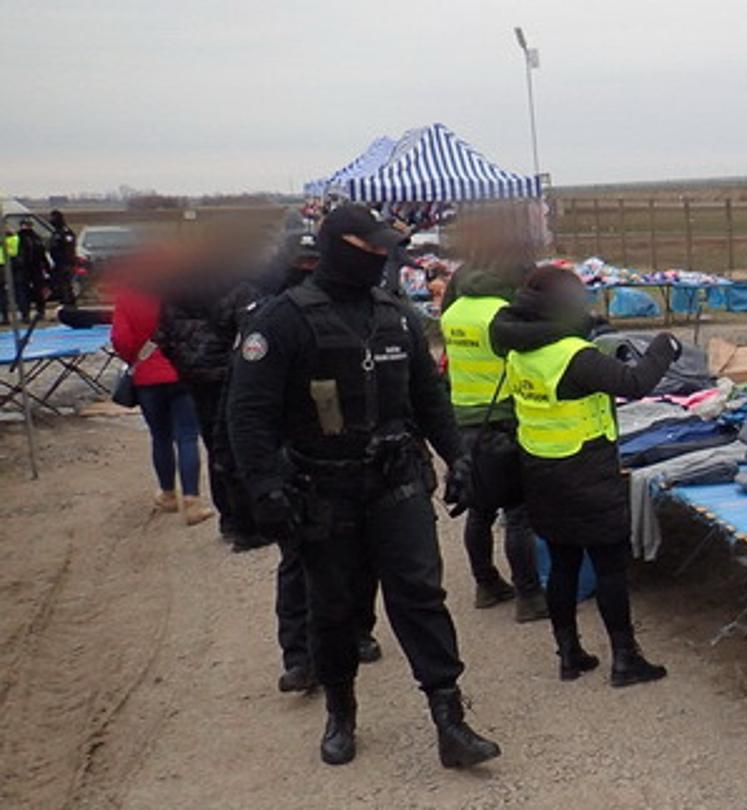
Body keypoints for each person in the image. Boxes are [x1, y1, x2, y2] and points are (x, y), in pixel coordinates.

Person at [227, 204, 498, 768]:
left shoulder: (394, 313)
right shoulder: (283, 321)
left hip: (397, 483)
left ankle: (451, 721)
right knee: (334, 610)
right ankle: (341, 712)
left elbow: (428, 396)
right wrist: (265, 488)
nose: (380, 257)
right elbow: (247, 414)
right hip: (324, 491)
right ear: (336, 246)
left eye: (384, 249)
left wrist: (458, 458)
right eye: (369, 248)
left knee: (421, 598)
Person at [492, 266, 678, 687]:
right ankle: (625, 659)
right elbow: (637, 382)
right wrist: (665, 346)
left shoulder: (520, 348)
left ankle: (569, 654)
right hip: (587, 473)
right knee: (611, 567)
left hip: (541, 469)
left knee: (562, 563)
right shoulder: (571, 356)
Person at [248, 232, 384, 695]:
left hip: (353, 457)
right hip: (299, 462)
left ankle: (359, 629)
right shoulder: (273, 319)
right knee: (297, 563)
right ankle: (300, 656)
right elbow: (246, 410)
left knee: (363, 557)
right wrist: (260, 483)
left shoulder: (362, 308)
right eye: (300, 264)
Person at [438, 253, 550, 622]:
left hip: (463, 418)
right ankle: (529, 596)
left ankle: (486, 584)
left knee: (480, 508)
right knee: (518, 513)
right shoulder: (503, 315)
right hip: (503, 418)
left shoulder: (453, 312)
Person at [156, 243, 267, 548]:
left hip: (196, 378)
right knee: (243, 445)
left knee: (215, 447)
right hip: (233, 377)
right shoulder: (238, 288)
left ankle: (229, 518)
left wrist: (183, 364)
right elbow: (254, 333)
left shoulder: (173, 292)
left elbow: (161, 336)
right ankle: (249, 522)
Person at [112, 278, 215, 525]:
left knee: (160, 437)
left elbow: (121, 339)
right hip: (181, 370)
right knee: (188, 436)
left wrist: (135, 359)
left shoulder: (127, 294)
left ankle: (167, 494)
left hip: (147, 375)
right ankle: (192, 501)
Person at [10, 222, 49, 322]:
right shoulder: (36, 238)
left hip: (25, 269)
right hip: (33, 269)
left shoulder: (20, 238)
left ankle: (28, 314)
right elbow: (42, 255)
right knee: (33, 291)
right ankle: (37, 312)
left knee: (25, 292)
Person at [47, 210, 79, 309]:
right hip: (63, 263)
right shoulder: (61, 232)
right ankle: (68, 304)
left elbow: (65, 248)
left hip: (64, 263)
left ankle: (68, 305)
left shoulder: (62, 233)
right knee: (64, 285)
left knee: (65, 284)